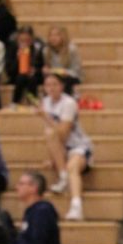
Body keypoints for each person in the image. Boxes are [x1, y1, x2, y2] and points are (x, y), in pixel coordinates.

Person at [39, 72, 92, 221]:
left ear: (61, 86)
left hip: (78, 145)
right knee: (49, 133)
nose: (51, 88)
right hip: (62, 149)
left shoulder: (68, 103)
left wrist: (45, 117)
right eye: (48, 85)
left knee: (72, 168)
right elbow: (52, 136)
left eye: (54, 84)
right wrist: (53, 159)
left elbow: (63, 133)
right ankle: (63, 176)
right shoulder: (46, 102)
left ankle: (76, 206)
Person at [7, 25, 44, 105]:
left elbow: (41, 66)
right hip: (16, 76)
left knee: (32, 79)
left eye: (27, 40)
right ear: (17, 40)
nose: (24, 43)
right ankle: (15, 102)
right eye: (21, 40)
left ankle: (33, 102)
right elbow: (10, 71)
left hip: (33, 77)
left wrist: (35, 71)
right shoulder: (13, 48)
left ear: (32, 40)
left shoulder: (37, 49)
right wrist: (17, 59)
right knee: (21, 77)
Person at [41, 25, 83, 95]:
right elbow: (48, 69)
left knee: (65, 81)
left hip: (72, 75)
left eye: (56, 35)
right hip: (55, 75)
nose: (53, 38)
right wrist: (45, 70)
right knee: (50, 81)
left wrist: (65, 72)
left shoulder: (71, 49)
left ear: (63, 36)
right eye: (51, 35)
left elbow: (76, 71)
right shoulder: (46, 51)